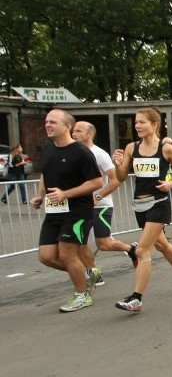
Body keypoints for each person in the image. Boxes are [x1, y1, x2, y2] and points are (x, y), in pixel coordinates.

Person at [112, 107, 172, 312]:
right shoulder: (132, 148)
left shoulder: (166, 149)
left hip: (159, 204)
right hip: (139, 205)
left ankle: (136, 298)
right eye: (136, 122)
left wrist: (171, 183)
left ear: (155, 125)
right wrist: (117, 164)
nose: (138, 126)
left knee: (142, 250)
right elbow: (122, 177)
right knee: (162, 245)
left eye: (142, 122)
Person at [29, 109, 102, 312]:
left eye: (53, 122)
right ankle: (86, 274)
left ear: (67, 126)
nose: (48, 125)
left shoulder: (81, 152)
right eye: (46, 122)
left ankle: (82, 295)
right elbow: (46, 173)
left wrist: (66, 194)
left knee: (67, 253)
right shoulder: (49, 150)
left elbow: (97, 182)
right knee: (46, 256)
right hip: (54, 212)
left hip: (78, 212)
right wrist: (40, 195)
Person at [72, 121, 138, 288]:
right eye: (73, 131)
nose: (74, 134)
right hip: (80, 207)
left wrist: (98, 196)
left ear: (89, 134)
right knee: (79, 242)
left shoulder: (99, 154)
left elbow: (116, 180)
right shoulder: (73, 153)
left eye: (79, 131)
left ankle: (131, 249)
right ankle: (94, 273)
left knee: (104, 244)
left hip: (101, 206)